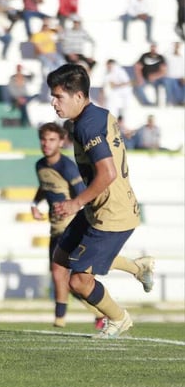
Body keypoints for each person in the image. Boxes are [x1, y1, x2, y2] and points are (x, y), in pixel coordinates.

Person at [47, 63, 148, 338]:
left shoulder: (87, 126)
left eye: (59, 97)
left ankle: (119, 319)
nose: (54, 103)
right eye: (52, 96)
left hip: (112, 214)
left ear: (78, 96)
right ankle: (137, 267)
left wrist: (75, 202)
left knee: (78, 281)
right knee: (61, 256)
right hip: (98, 207)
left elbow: (108, 172)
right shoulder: (97, 115)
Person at [31, 122, 154, 328]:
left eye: (52, 139)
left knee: (62, 271)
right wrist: (36, 203)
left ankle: (61, 320)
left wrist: (73, 205)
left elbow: (84, 192)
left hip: (70, 223)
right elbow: (46, 187)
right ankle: (135, 269)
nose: (46, 144)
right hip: (55, 226)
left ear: (62, 141)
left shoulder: (67, 167)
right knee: (66, 267)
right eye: (43, 139)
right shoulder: (40, 165)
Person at [133, 42, 179, 106]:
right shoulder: (144, 56)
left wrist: (155, 76)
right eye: (152, 47)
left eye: (155, 47)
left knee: (167, 82)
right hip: (145, 78)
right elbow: (137, 67)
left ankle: (169, 102)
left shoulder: (161, 58)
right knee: (137, 87)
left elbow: (164, 71)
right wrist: (140, 78)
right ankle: (147, 104)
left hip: (157, 79)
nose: (153, 49)